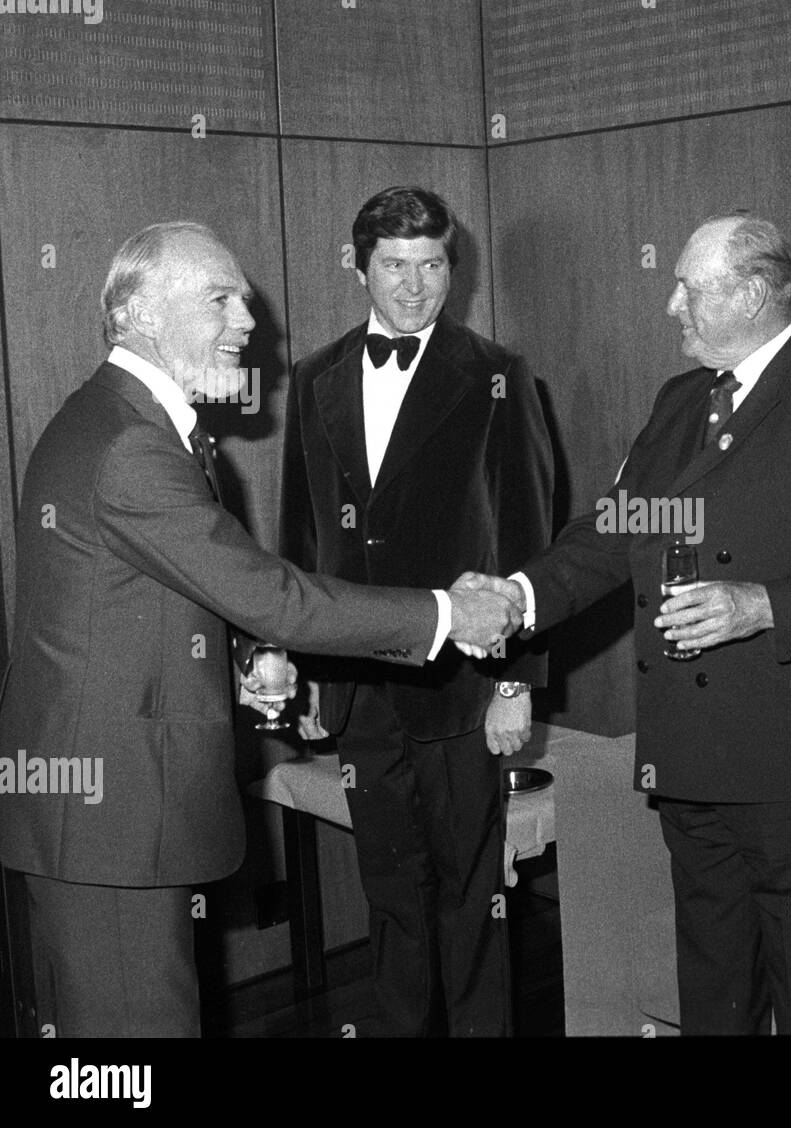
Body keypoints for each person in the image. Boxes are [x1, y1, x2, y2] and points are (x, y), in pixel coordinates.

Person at [0, 221, 519, 1038]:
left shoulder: (134, 422)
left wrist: (263, 668)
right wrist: (448, 613)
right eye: (220, 299)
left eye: (242, 298)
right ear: (138, 314)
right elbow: (269, 593)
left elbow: (185, 596)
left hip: (109, 810)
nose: (249, 320)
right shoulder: (129, 443)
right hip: (111, 819)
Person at [460, 213, 791, 1034]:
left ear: (752, 295)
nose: (671, 304)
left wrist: (762, 607)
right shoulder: (679, 401)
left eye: (689, 286)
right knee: (712, 994)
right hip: (691, 759)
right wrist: (518, 597)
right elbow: (611, 534)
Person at [279, 186, 553, 1037]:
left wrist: (517, 684)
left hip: (465, 684)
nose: (414, 285)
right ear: (358, 267)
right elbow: (301, 532)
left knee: (473, 894)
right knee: (389, 891)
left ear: (452, 268)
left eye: (433, 264)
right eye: (395, 266)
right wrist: (303, 664)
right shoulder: (313, 376)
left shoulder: (497, 375)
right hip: (358, 683)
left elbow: (529, 536)